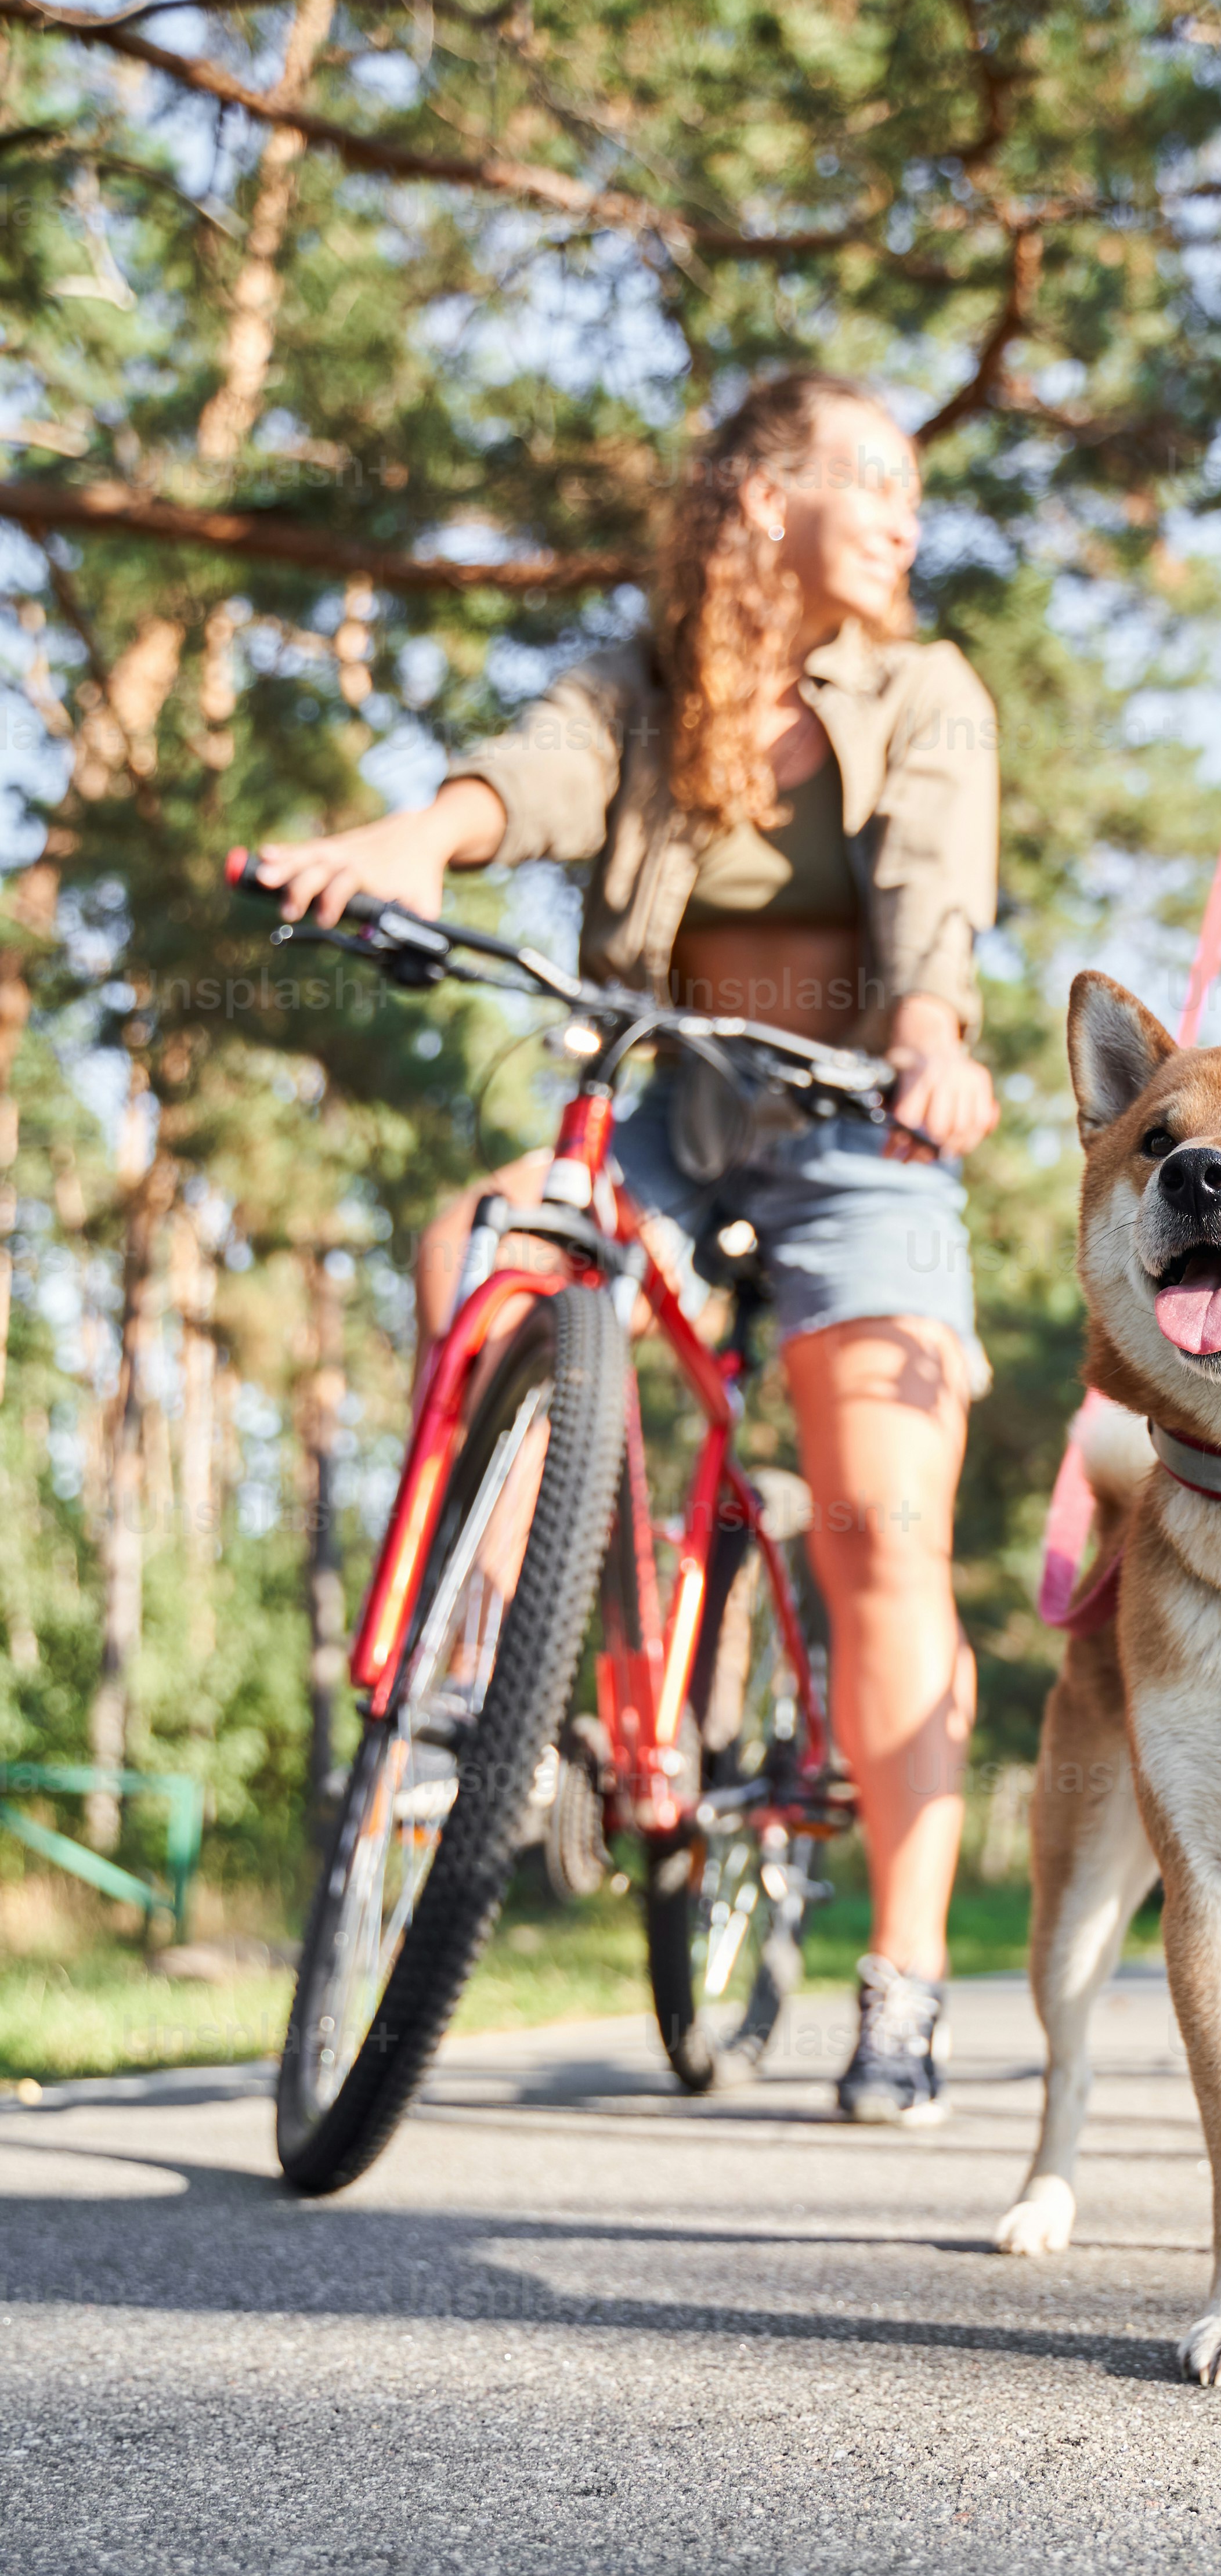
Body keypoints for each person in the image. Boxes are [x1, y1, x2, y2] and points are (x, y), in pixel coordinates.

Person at [256, 372, 999, 2125]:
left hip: (860, 1136)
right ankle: (499, 1658)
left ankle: (902, 1981)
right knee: (481, 1236)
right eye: (871, 482)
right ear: (765, 497)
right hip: (670, 1108)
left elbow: (938, 885)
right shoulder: (654, 676)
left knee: (884, 1531)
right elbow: (540, 771)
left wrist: (938, 1030)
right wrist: (412, 844)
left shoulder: (925, 688)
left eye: (912, 490)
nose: (905, 515)